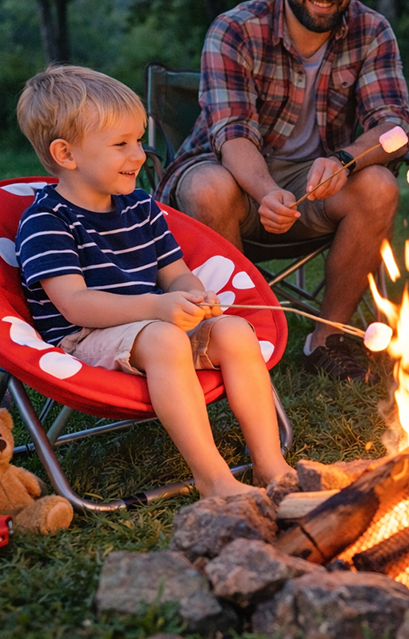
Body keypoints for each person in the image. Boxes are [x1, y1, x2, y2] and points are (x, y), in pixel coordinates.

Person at [156, 0, 409, 385]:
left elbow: (395, 124)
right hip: (231, 178)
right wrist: (264, 190)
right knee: (209, 187)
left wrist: (344, 160)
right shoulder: (235, 29)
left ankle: (326, 338)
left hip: (316, 184)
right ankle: (244, 339)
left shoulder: (372, 30)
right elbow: (233, 132)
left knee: (378, 185)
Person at [15, 65, 296, 500]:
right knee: (165, 338)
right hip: (86, 338)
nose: (139, 155)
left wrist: (191, 294)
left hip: (153, 327)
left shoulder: (141, 208)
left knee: (235, 331)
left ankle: (270, 464)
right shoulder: (48, 221)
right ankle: (214, 479)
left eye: (139, 141)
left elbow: (174, 272)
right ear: (66, 154)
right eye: (121, 144)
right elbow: (75, 304)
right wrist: (157, 307)